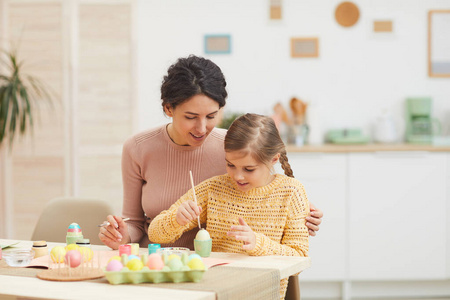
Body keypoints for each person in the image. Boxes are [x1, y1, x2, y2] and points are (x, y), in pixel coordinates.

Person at [98, 55, 322, 250]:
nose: (202, 128)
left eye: (211, 116)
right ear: (168, 108)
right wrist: (122, 235)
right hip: (157, 261)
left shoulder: (235, 149)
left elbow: (268, 198)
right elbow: (135, 222)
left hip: (215, 266)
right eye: (190, 117)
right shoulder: (137, 148)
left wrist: (300, 219)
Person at [148, 113, 309, 300]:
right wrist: (176, 219)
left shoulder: (291, 192)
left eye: (249, 169)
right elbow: (155, 233)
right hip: (214, 292)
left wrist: (259, 244)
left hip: (262, 293)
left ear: (274, 159)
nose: (238, 176)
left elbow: (299, 257)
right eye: (230, 165)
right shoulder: (214, 189)